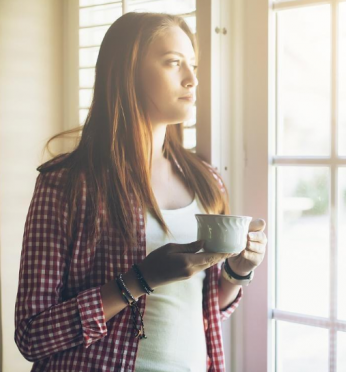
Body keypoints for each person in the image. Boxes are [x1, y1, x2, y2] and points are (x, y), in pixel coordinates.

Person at [13, 12, 267, 372]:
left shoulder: (206, 181)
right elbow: (31, 335)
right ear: (127, 71)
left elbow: (202, 309)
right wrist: (139, 280)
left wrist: (237, 273)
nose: (192, 79)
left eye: (192, 65)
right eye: (173, 63)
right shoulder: (67, 184)